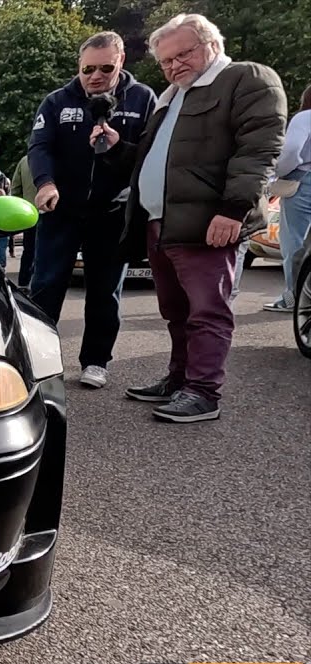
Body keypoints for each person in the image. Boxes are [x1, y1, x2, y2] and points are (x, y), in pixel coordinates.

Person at [110, 13, 286, 423]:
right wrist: (119, 148)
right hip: (163, 221)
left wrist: (233, 210)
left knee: (207, 311)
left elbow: (259, 150)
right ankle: (179, 380)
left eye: (182, 54)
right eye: (166, 61)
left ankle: (203, 392)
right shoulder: (173, 95)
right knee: (176, 311)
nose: (174, 66)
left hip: (209, 222)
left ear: (212, 44)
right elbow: (154, 160)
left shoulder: (246, 78)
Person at [27, 31, 157, 390]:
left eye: (105, 68)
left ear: (121, 62)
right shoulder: (56, 101)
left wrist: (119, 147)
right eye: (88, 69)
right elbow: (39, 146)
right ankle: (38, 359)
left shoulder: (143, 98)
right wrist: (45, 183)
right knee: (46, 286)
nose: (95, 76)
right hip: (61, 209)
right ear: (79, 66)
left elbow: (151, 154)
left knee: (105, 291)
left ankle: (96, 361)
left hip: (112, 212)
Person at [262, 83, 311, 312]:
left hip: (303, 181)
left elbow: (291, 150)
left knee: (295, 242)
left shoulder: (304, 118)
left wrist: (278, 173)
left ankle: (293, 299)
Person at [10, 153, 38, 287]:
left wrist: (24, 206)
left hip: (30, 213)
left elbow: (15, 189)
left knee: (28, 250)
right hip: (52, 213)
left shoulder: (24, 161)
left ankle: (23, 283)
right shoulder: (57, 157)